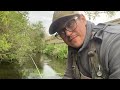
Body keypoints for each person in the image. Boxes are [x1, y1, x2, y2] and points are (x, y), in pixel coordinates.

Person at [49, 11, 120, 79]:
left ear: (83, 19)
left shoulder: (114, 41)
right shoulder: (73, 47)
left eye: (70, 24)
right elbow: (69, 76)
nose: (68, 34)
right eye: (61, 31)